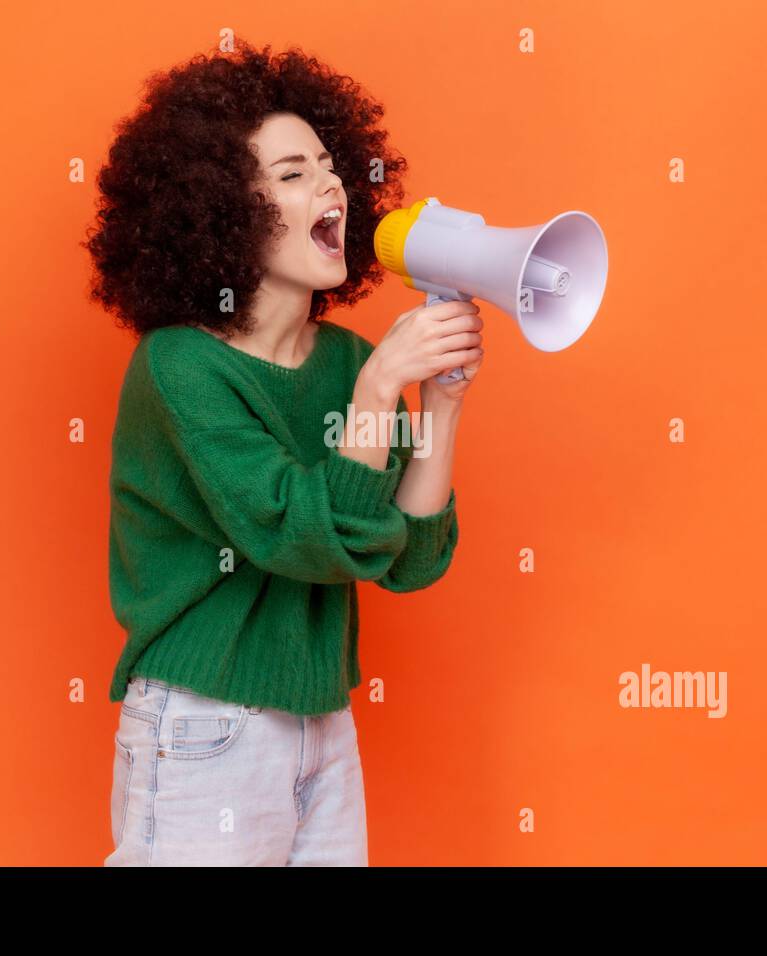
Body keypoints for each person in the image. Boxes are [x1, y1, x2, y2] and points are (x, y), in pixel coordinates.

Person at [83, 39, 483, 866]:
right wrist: (380, 391)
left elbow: (406, 556)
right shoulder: (179, 367)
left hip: (322, 727)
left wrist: (439, 402)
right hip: (203, 723)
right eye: (293, 174)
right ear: (220, 209)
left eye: (331, 167)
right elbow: (296, 534)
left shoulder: (342, 362)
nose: (331, 185)